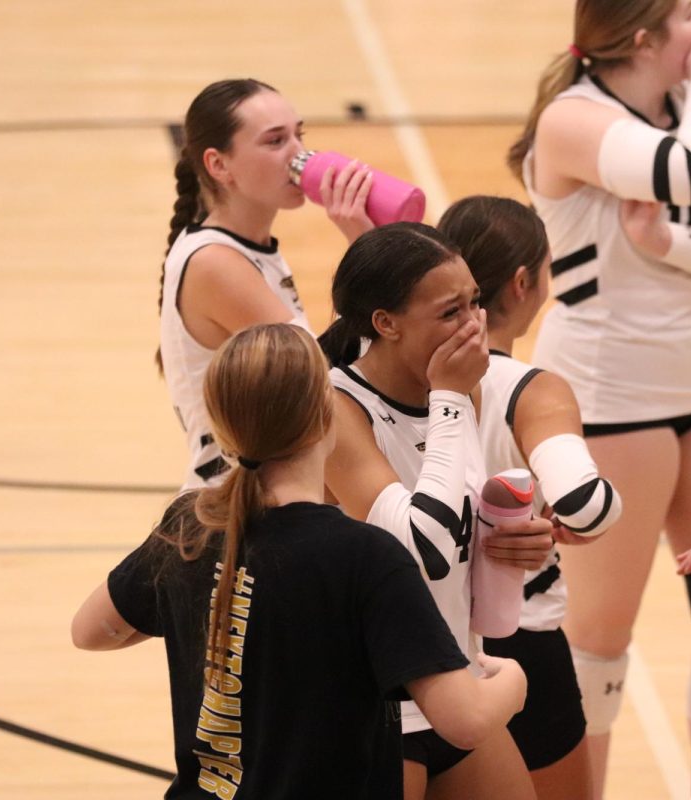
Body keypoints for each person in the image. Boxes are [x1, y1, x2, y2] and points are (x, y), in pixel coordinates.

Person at [71, 324, 528, 799]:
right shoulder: (363, 557)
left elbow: (90, 631)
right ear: (324, 414)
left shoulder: (189, 527)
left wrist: (208, 617)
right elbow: (467, 721)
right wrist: (513, 682)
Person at [507, 0, 691, 794]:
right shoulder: (572, 119)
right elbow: (689, 173)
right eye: (689, 12)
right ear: (643, 37)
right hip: (609, 397)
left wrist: (669, 242)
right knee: (597, 647)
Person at [320, 223, 549, 800]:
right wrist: (449, 396)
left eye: (475, 301)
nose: (475, 324)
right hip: (377, 703)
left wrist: (519, 541)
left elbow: (458, 530)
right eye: (451, 312)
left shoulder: (459, 388)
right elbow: (421, 550)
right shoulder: (337, 406)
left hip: (456, 682)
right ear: (385, 323)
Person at [437, 195, 624, 800]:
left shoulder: (390, 370)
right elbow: (588, 505)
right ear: (523, 283)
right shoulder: (529, 389)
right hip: (521, 642)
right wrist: (573, 522)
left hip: (421, 641)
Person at [158, 78, 373, 489]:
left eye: (299, 135)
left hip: (265, 495)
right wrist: (366, 251)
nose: (300, 153)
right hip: (232, 510)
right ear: (219, 165)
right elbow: (316, 378)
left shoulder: (250, 248)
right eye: (276, 142)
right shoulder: (214, 263)